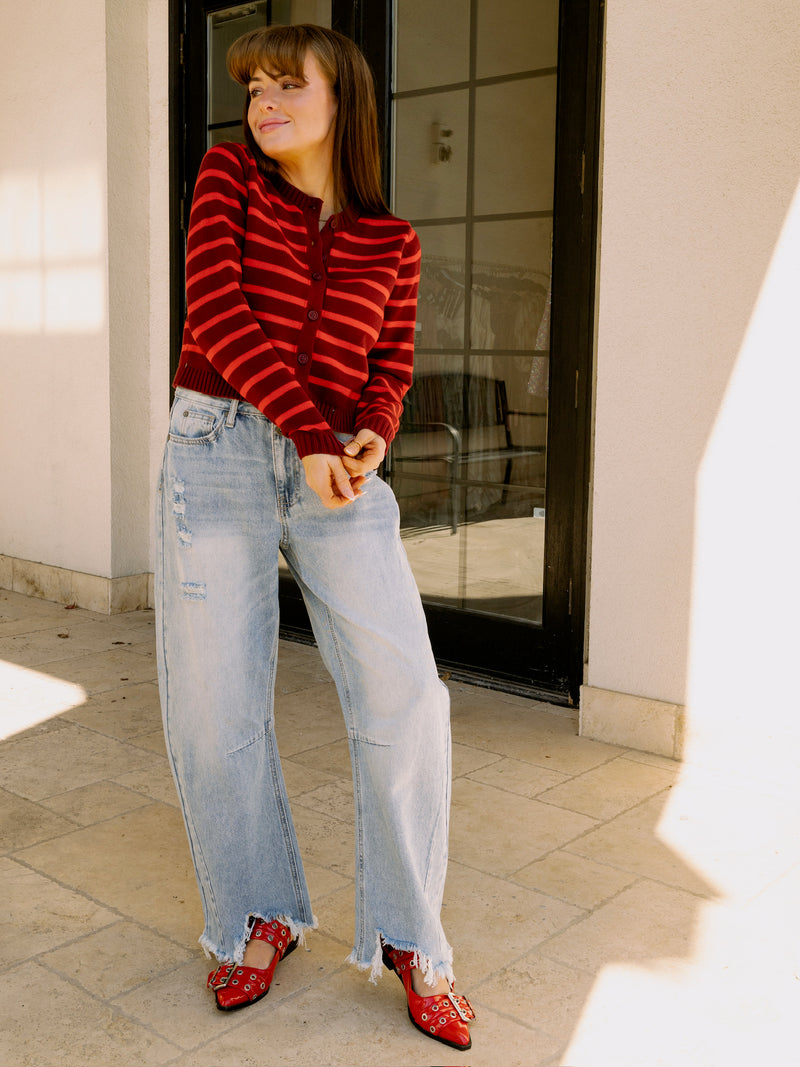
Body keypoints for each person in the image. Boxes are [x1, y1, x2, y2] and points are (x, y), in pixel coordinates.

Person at [154, 23, 475, 1052]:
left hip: (338, 469)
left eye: (289, 85)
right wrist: (306, 432)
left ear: (346, 104)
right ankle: (258, 911)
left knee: (405, 693)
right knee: (215, 703)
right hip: (216, 446)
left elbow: (389, 359)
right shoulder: (224, 181)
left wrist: (372, 430)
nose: (264, 101)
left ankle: (409, 935)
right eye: (254, 85)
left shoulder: (393, 240)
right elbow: (220, 309)